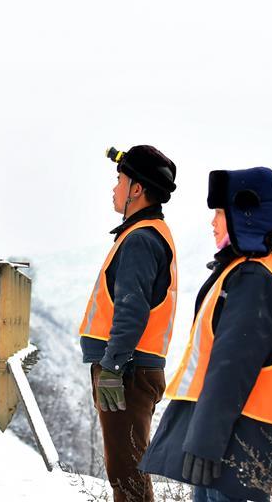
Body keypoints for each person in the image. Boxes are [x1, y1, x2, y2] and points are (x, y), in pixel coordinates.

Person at [139, 167, 272, 502]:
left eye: (220, 213)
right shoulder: (243, 274)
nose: (213, 223)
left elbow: (230, 369)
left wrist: (205, 443)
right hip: (223, 440)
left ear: (244, 214)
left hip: (230, 445)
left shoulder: (253, 281)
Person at [79, 145, 179, 502]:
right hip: (131, 370)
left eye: (119, 179)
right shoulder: (145, 234)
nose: (114, 187)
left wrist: (112, 366)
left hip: (127, 372)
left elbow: (131, 309)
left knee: (128, 476)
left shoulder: (140, 240)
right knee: (126, 473)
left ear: (136, 189)